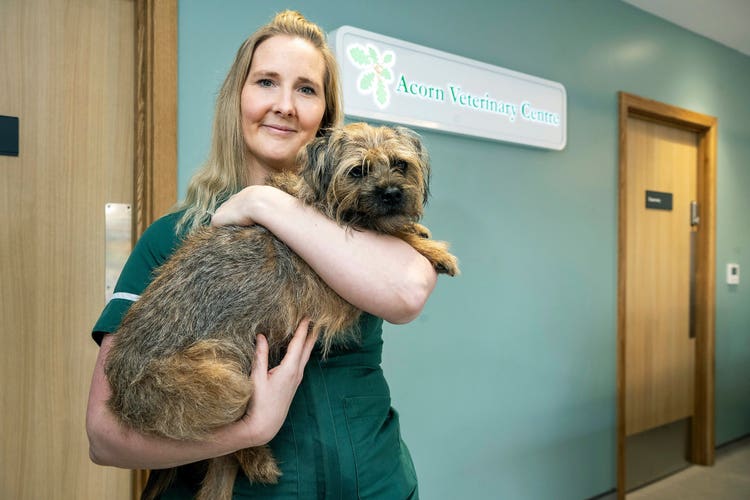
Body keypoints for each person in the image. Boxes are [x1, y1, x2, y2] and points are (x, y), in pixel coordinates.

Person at [85, 10, 437, 499]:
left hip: (379, 485)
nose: (285, 105)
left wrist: (263, 203)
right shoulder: (173, 236)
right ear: (237, 98)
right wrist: (249, 430)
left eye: (307, 89)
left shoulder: (364, 220)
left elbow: (409, 291)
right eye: (266, 82)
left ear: (325, 117)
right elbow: (104, 438)